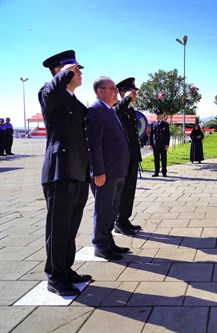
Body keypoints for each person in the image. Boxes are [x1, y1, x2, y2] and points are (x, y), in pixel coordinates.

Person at [38, 50, 91, 296]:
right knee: (57, 229)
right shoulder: (49, 94)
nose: (79, 73)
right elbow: (50, 91)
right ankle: (55, 277)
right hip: (59, 173)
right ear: (61, 71)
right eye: (75, 69)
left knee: (70, 227)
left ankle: (66, 269)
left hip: (78, 171)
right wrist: (66, 71)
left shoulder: (73, 101)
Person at [86, 76, 131, 261]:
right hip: (106, 173)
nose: (116, 91)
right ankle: (100, 245)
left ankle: (108, 241)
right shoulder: (95, 111)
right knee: (103, 210)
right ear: (100, 91)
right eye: (112, 88)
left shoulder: (110, 111)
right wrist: (98, 171)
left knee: (112, 210)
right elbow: (93, 145)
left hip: (118, 170)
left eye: (115, 88)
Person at [113, 78, 142, 236]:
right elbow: (117, 109)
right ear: (123, 93)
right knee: (122, 191)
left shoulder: (129, 111)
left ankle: (125, 219)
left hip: (132, 157)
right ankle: (118, 221)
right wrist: (128, 98)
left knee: (130, 189)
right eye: (133, 92)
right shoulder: (117, 107)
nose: (136, 94)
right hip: (123, 158)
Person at [149, 111, 170, 177]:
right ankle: (156, 172)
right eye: (157, 115)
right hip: (156, 144)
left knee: (163, 158)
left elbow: (167, 135)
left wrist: (167, 144)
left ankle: (164, 172)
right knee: (156, 159)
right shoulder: (153, 124)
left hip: (163, 144)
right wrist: (151, 144)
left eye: (159, 115)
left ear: (162, 116)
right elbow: (151, 135)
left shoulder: (165, 124)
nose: (158, 116)